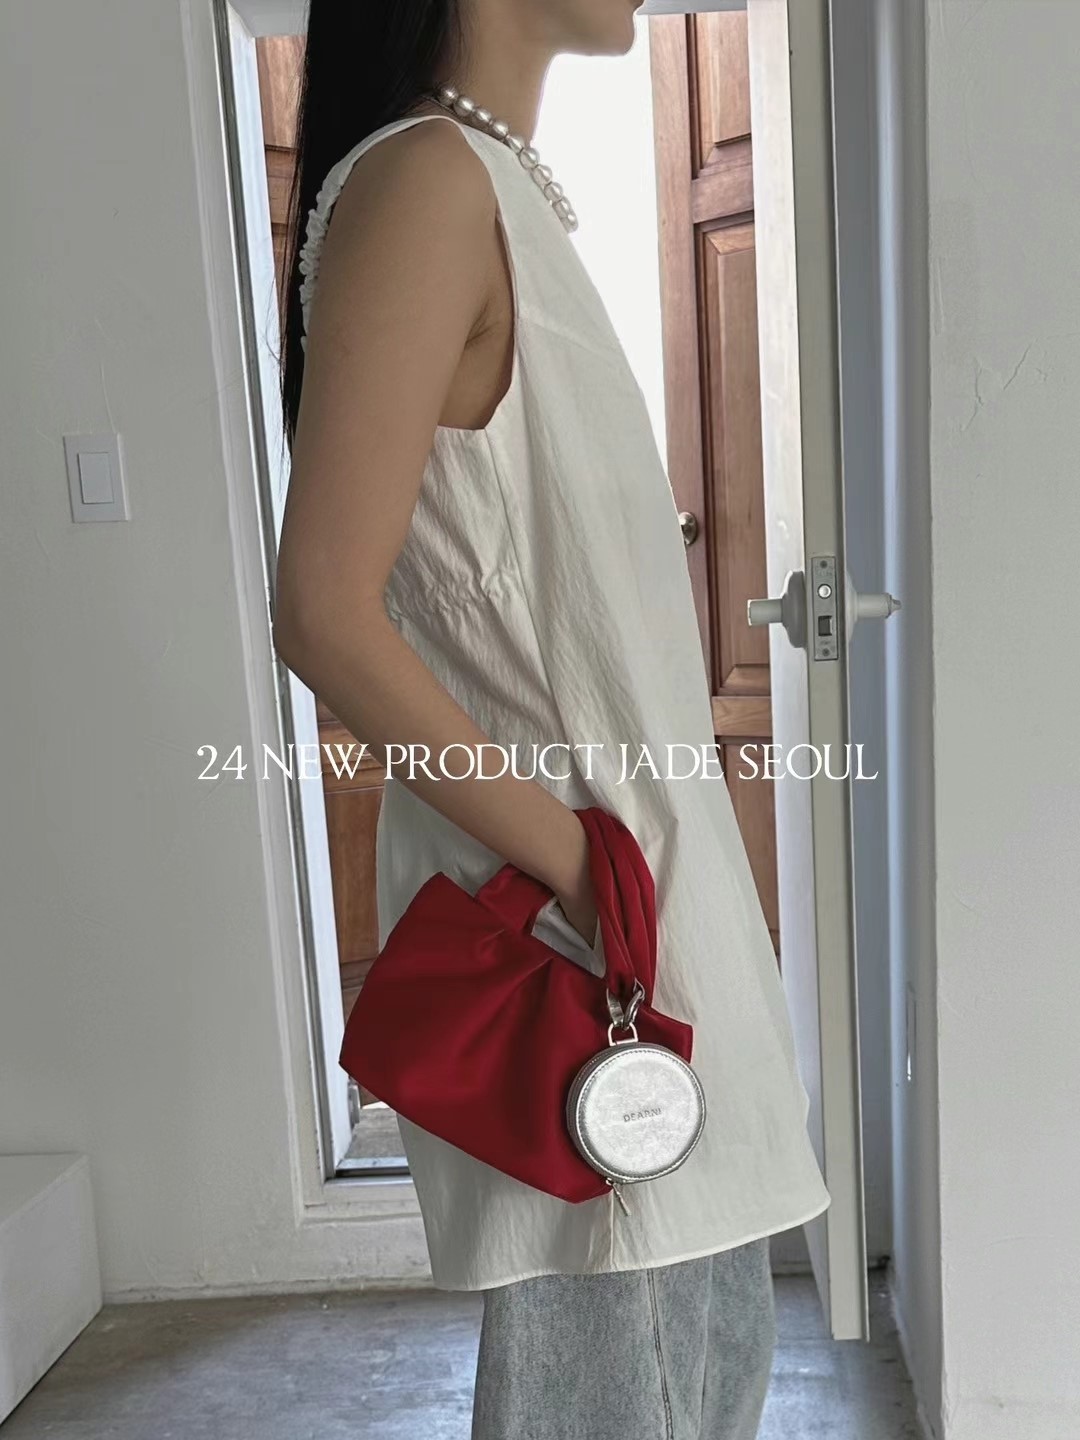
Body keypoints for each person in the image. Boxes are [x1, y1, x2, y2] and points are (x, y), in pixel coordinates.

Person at [271, 3, 831, 1437]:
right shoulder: (426, 185)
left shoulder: (486, 186)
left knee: (683, 1377)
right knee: (636, 1390)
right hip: (589, 942)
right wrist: (585, 866)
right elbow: (324, 614)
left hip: (634, 916)